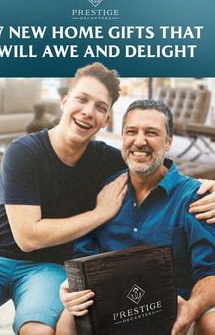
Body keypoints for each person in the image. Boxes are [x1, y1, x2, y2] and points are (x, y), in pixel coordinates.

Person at [0, 64, 214, 335]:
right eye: (81, 99)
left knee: (42, 330)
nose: (88, 111)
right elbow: (28, 237)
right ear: (64, 101)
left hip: (48, 269)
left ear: (105, 121)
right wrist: (101, 213)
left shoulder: (110, 162)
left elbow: (154, 168)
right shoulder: (25, 152)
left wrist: (208, 188)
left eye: (100, 107)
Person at [60, 100, 215, 335]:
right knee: (67, 321)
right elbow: (85, 257)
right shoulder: (107, 191)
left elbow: (209, 271)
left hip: (171, 309)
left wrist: (191, 308)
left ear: (169, 141)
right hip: (112, 303)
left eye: (151, 133)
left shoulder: (195, 198)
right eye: (131, 132)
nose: (139, 141)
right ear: (122, 138)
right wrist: (73, 288)